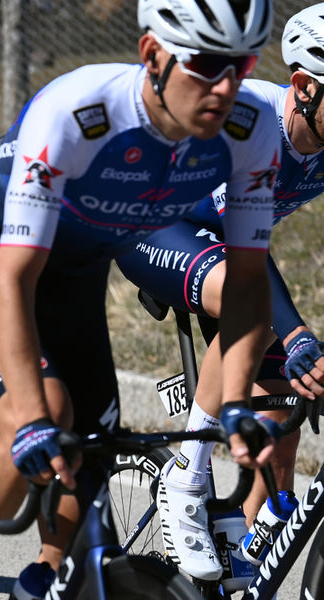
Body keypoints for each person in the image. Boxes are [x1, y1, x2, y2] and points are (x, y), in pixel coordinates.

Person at [0, 0, 280, 598]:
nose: (226, 86)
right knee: (43, 416)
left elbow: (246, 284)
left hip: (76, 269)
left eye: (241, 65)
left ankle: (48, 578)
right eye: (207, 64)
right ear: (152, 55)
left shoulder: (251, 128)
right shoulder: (81, 112)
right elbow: (14, 279)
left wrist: (236, 403)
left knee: (96, 443)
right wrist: (28, 416)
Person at [114, 3, 324, 581]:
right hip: (154, 226)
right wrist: (300, 332)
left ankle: (243, 567)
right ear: (303, 87)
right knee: (245, 299)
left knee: (283, 422)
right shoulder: (251, 118)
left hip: (228, 253)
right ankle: (185, 474)